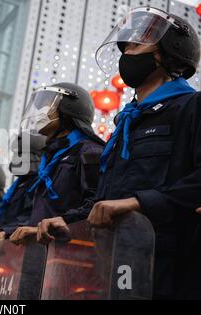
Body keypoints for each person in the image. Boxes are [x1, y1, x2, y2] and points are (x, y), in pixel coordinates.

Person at [38, 7, 201, 299]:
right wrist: (70, 219)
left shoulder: (192, 108)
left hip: (168, 269)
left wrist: (138, 203)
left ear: (167, 52)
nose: (127, 52)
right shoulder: (127, 122)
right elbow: (108, 196)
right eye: (124, 46)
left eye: (137, 45)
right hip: (114, 261)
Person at [0, 82, 105, 251]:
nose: (39, 112)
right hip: (41, 256)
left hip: (70, 257)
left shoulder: (89, 152)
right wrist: (7, 233)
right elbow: (40, 215)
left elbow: (97, 204)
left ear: (67, 109)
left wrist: (63, 222)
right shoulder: (51, 160)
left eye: (47, 106)